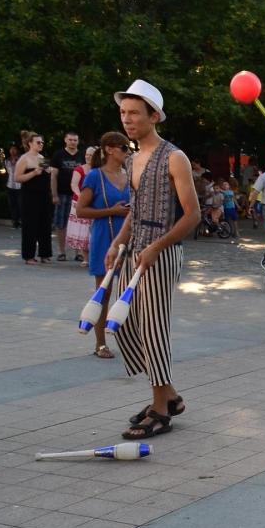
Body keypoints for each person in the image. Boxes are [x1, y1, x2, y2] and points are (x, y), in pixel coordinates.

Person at [104, 80, 200, 439]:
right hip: (134, 253)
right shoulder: (131, 159)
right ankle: (170, 396)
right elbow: (136, 210)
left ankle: (160, 410)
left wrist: (157, 247)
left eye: (134, 113)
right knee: (126, 327)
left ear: (154, 116)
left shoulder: (174, 157)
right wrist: (117, 242)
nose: (127, 119)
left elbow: (192, 215)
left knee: (152, 330)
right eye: (123, 113)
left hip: (161, 255)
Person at [77, 134, 131, 358]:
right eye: (124, 147)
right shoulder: (95, 176)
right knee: (105, 292)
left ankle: (131, 342)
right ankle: (101, 344)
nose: (128, 151)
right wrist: (112, 211)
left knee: (131, 292)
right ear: (109, 149)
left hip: (129, 238)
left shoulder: (130, 175)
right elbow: (81, 210)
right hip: (104, 236)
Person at [16, 132, 54, 264]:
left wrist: (47, 171)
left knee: (45, 224)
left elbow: (45, 173)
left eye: (42, 142)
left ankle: (45, 254)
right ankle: (29, 256)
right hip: (30, 195)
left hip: (43, 195)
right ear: (30, 144)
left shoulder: (41, 157)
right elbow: (17, 178)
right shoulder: (24, 158)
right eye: (38, 142)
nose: (41, 144)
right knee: (30, 225)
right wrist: (33, 173)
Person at [49, 132, 85, 261]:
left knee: (78, 223)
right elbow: (54, 176)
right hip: (62, 193)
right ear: (65, 140)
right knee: (61, 224)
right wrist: (54, 194)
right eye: (70, 139)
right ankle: (62, 252)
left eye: (75, 140)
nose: (72, 142)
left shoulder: (82, 156)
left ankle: (78, 253)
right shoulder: (58, 155)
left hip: (78, 194)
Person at [65, 146, 96, 262]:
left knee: (92, 231)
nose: (88, 157)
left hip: (94, 203)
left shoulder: (100, 170)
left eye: (91, 155)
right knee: (84, 232)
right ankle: (85, 258)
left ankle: (93, 258)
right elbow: (74, 184)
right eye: (87, 154)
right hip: (81, 203)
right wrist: (81, 197)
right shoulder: (79, 169)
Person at [3, 143, 23, 229]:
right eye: (11, 149)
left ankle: (22, 221)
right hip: (10, 185)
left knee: (21, 205)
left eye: (14, 149)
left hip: (20, 186)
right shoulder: (7, 161)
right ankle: (15, 221)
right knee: (12, 205)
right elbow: (7, 172)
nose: (12, 151)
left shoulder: (21, 160)